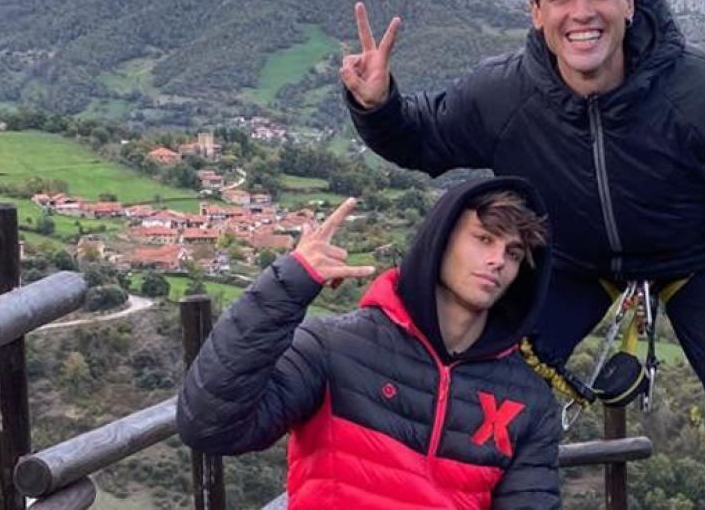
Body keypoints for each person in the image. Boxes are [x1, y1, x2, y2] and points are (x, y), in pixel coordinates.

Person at [340, 0, 705, 509]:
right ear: (536, 11)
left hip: (700, 259)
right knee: (474, 391)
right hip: (570, 261)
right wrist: (377, 105)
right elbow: (423, 140)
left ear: (629, 0)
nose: (582, 13)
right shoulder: (506, 94)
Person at [176, 177, 562, 509]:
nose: (498, 260)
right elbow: (211, 426)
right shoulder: (333, 348)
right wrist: (288, 283)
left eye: (513, 253)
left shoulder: (527, 400)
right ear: (440, 240)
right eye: (484, 239)